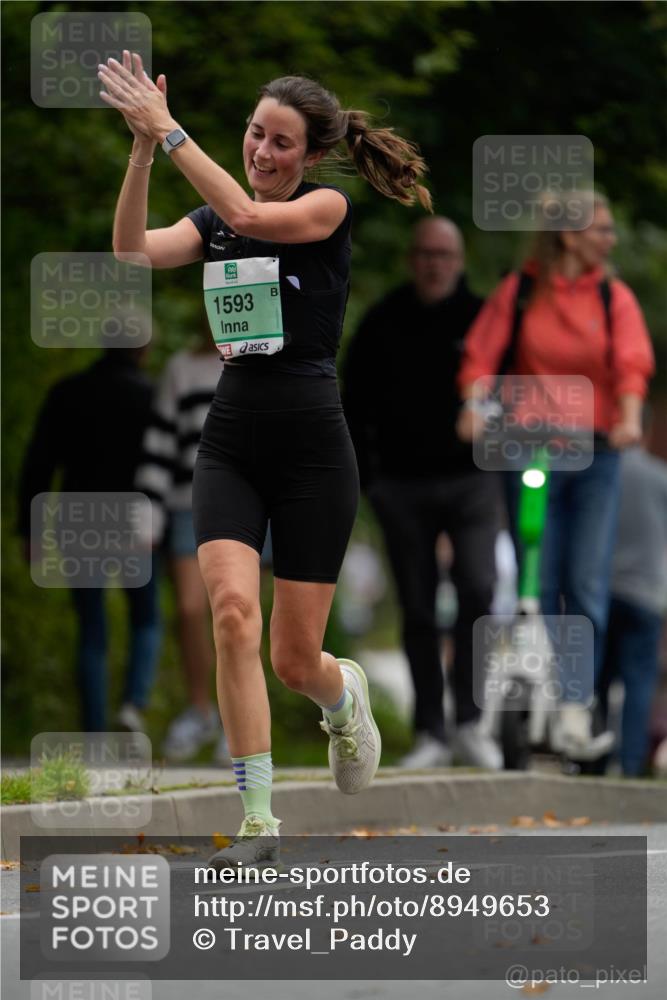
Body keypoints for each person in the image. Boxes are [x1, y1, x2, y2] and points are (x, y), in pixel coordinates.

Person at [99, 53, 431, 868]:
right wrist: (142, 151)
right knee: (231, 616)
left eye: (281, 141)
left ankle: (341, 696)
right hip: (231, 443)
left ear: (311, 155)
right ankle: (256, 820)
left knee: (292, 660)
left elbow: (246, 212)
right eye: (254, 133)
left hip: (314, 452)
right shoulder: (214, 218)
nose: (261, 150)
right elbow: (132, 251)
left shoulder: (325, 207)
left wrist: (169, 130)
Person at [457, 191, 655, 760]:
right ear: (568, 235)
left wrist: (630, 417)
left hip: (596, 454)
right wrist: (474, 405)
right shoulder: (521, 291)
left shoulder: (613, 297)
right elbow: (481, 355)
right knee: (536, 576)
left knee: (585, 579)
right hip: (530, 448)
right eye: (601, 229)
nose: (610, 240)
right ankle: (532, 681)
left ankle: (574, 706)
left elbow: (632, 365)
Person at [342, 217, 503, 769]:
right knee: (417, 605)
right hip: (402, 485)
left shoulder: (483, 318)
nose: (435, 264)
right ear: (413, 259)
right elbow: (352, 402)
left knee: (479, 588)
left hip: (473, 481)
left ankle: (471, 722)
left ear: (459, 262)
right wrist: (370, 480)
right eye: (426, 254)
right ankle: (430, 729)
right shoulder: (383, 320)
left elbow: (509, 390)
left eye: (445, 255)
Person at [18, 343, 160, 733]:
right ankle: (133, 704)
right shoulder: (151, 396)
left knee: (91, 627)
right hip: (134, 521)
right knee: (146, 617)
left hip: (79, 521)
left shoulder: (67, 392)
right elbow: (163, 464)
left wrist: (30, 529)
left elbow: (39, 463)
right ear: (143, 349)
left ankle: (94, 731)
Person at [134, 331, 230, 763]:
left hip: (250, 503)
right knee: (191, 609)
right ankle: (200, 709)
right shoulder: (181, 368)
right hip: (187, 504)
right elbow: (159, 444)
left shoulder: (262, 358)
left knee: (240, 613)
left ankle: (237, 719)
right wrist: (147, 516)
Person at [597, 423, 667, 776]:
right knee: (639, 682)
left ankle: (592, 756)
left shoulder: (598, 475)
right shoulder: (660, 477)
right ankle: (631, 764)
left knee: (598, 678)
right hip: (646, 595)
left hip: (603, 590)